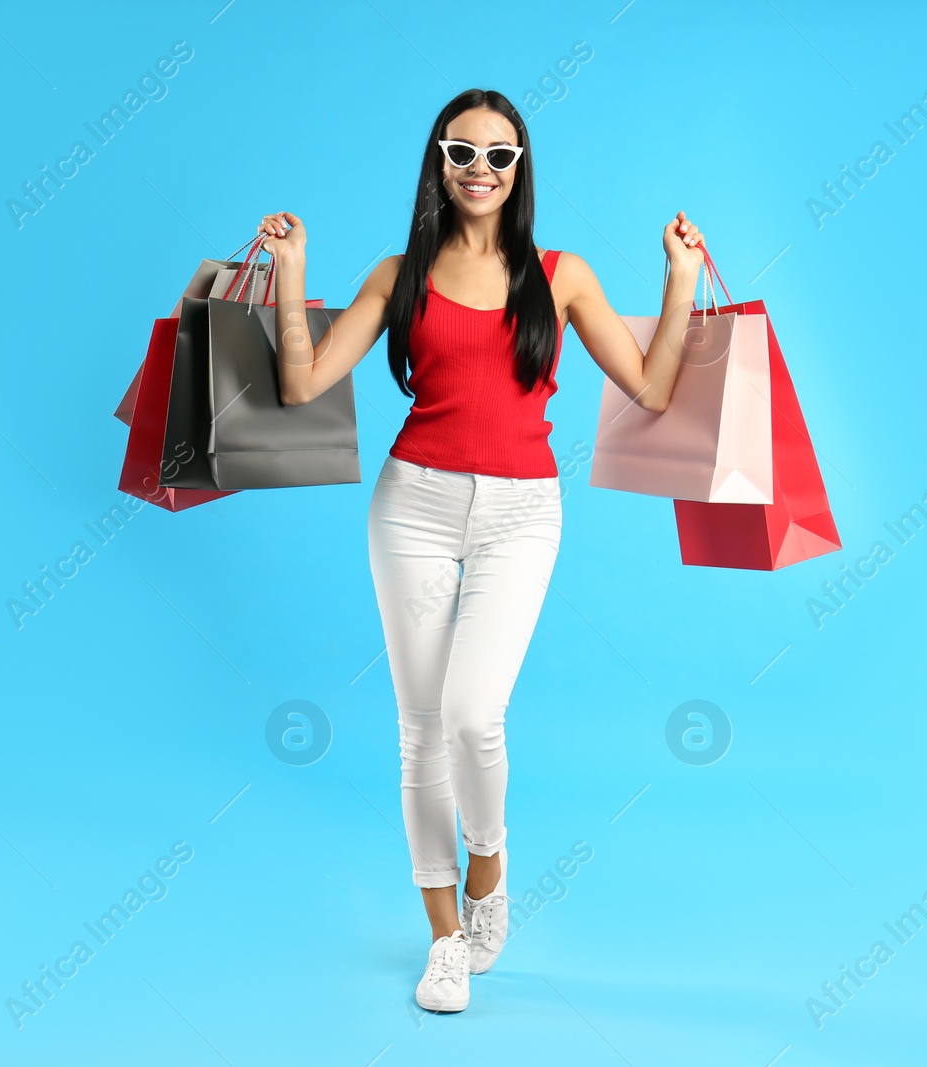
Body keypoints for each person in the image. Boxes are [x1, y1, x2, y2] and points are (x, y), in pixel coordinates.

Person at [256, 87, 707, 1013]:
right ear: (437, 160)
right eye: (463, 152)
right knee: (420, 728)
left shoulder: (562, 273)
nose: (480, 171)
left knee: (472, 714)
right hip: (411, 505)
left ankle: (490, 867)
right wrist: (296, 265)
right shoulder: (399, 273)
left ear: (521, 168)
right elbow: (300, 385)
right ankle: (445, 938)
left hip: (521, 513)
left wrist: (680, 279)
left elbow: (654, 390)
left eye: (499, 156)